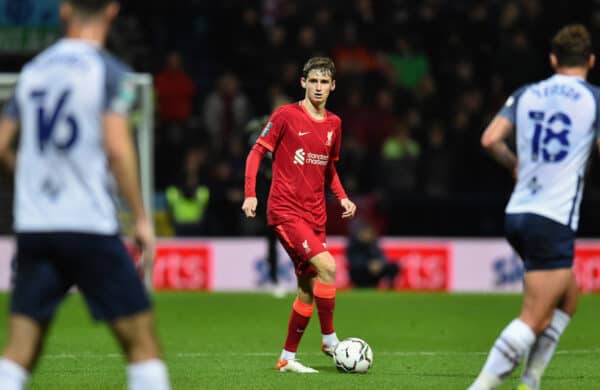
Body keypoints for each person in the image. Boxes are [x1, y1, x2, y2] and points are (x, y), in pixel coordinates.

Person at [0, 1, 170, 389]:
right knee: (142, 345)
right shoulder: (113, 73)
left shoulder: (32, 72)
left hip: (36, 227)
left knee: (21, 349)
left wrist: (28, 176)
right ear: (112, 11)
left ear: (64, 10)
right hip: (89, 228)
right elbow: (117, 147)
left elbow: (1, 145)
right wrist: (141, 218)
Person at [469, 24, 598, 390]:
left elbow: (490, 138)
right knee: (535, 318)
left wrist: (514, 164)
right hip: (553, 219)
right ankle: (481, 387)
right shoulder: (594, 99)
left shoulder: (526, 93)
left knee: (568, 299)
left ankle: (531, 380)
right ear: (591, 60)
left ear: (553, 60)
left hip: (519, 213)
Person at [242, 57, 357, 373]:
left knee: (307, 288)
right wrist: (250, 193)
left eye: (325, 82)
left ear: (333, 86)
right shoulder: (285, 115)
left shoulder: (335, 123)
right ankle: (330, 339)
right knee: (328, 266)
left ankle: (287, 358)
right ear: (303, 82)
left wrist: (343, 197)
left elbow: (328, 167)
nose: (318, 87)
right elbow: (256, 152)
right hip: (286, 211)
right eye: (313, 81)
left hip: (315, 216)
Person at [346, 219, 399, 289]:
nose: (367, 235)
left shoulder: (373, 244)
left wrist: (379, 264)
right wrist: (368, 264)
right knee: (356, 270)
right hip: (361, 272)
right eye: (365, 233)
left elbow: (382, 257)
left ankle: (390, 287)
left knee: (393, 266)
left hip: (374, 271)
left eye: (369, 233)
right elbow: (353, 261)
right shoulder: (353, 245)